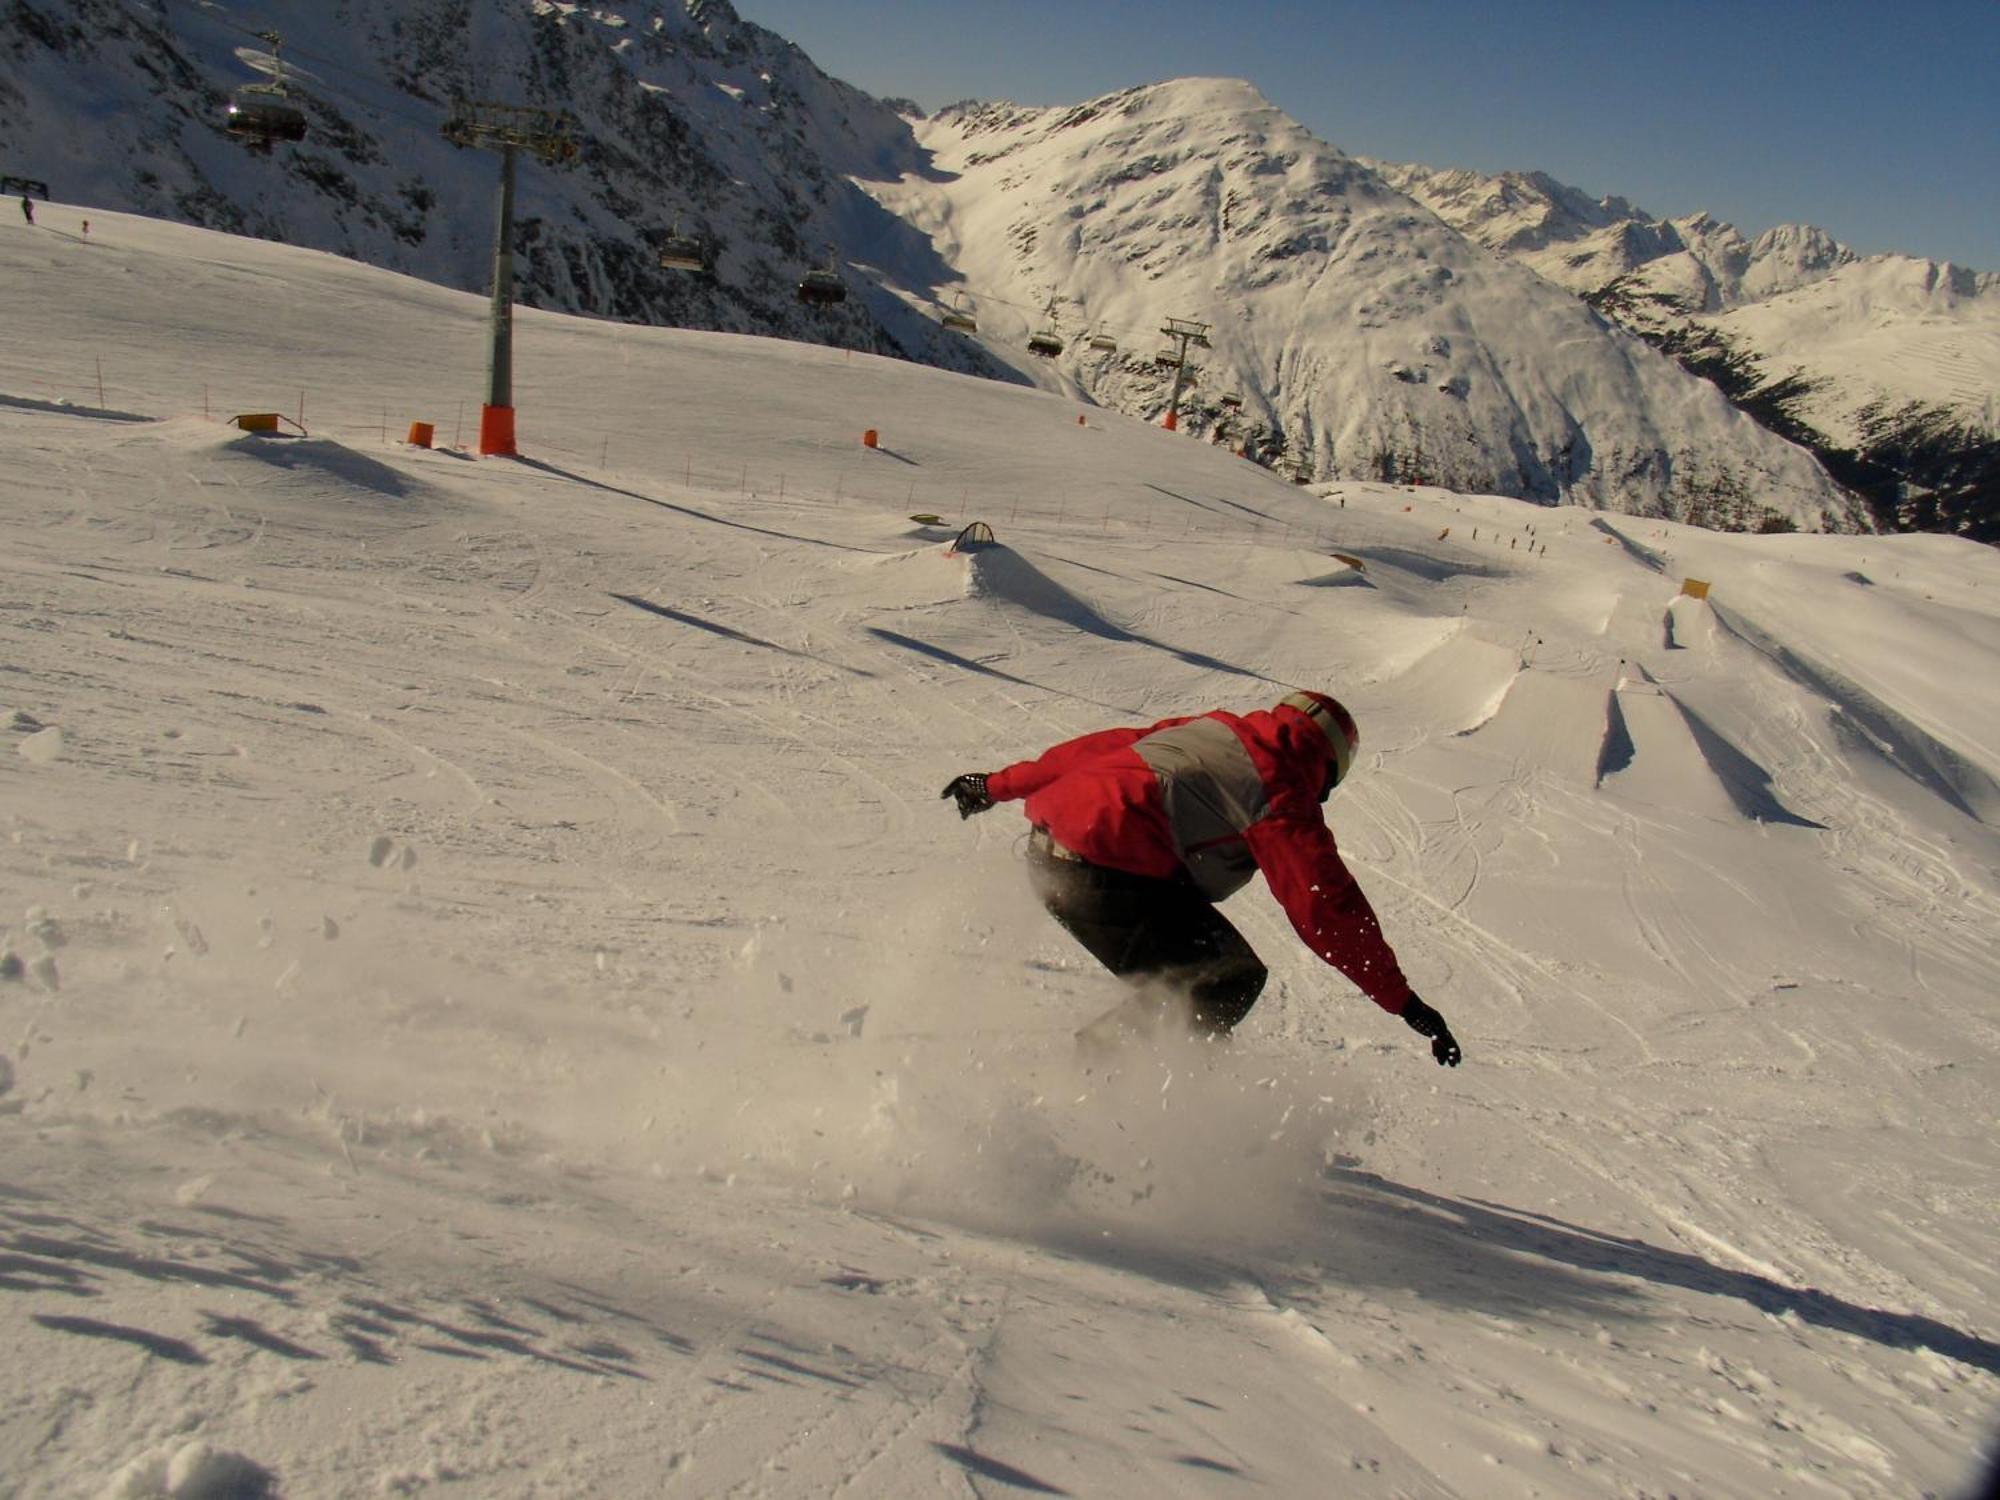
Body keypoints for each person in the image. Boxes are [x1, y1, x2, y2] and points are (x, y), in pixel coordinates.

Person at [942, 691, 1462, 1065]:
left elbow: (1097, 749)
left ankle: (1171, 1092)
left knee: (1191, 989)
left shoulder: (1210, 728)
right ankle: (1093, 1081)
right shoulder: (1280, 796)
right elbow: (1326, 908)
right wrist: (1404, 1002)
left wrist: (996, 785)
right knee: (1225, 981)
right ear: (1327, 769)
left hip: (1050, 855)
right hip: (1101, 876)